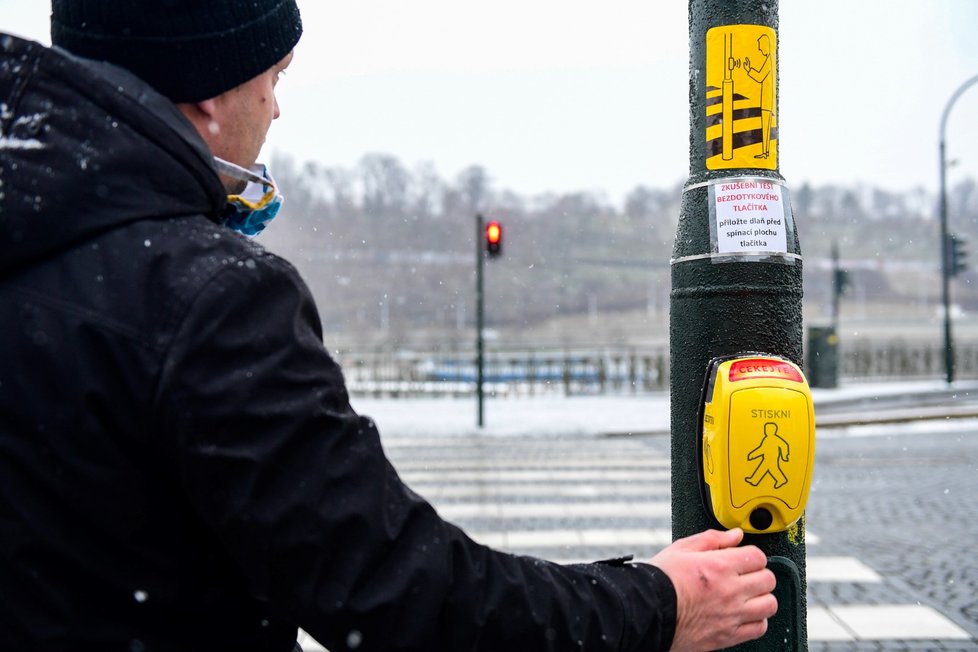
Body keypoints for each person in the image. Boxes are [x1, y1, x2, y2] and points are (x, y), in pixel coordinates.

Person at [0, 1, 776, 650]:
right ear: (208, 91)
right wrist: (660, 605)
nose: (276, 108)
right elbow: (403, 594)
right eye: (275, 78)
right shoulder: (205, 299)